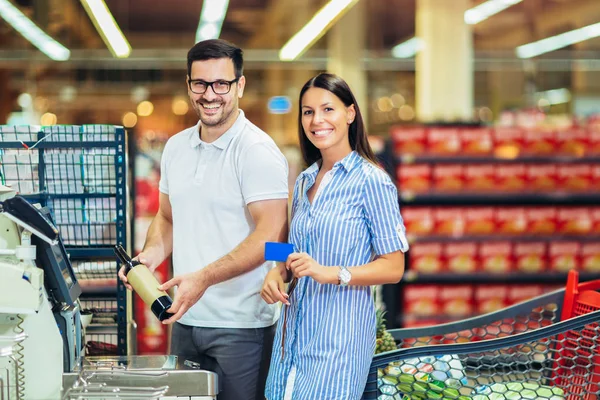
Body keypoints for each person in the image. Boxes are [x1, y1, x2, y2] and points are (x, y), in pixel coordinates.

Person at [118, 39, 289, 400]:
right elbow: (167, 218)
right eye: (201, 84)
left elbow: (271, 234)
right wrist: (149, 257)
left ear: (239, 86)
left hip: (241, 325)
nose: (210, 95)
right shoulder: (176, 148)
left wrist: (204, 278)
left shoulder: (257, 152)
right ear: (189, 85)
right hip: (185, 318)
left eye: (221, 84)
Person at [261, 73, 408, 400]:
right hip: (291, 343)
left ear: (350, 114)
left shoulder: (372, 181)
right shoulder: (303, 181)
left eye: (328, 109)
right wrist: (275, 268)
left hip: (338, 346)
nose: (317, 120)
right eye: (308, 111)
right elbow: (289, 246)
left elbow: (394, 266)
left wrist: (333, 273)